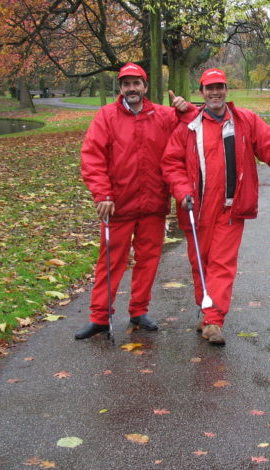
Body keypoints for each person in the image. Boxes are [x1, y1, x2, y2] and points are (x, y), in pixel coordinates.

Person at [161, 68, 270, 345]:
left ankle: (214, 321)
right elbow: (171, 163)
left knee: (222, 264)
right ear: (201, 93)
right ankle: (207, 312)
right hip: (196, 210)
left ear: (227, 90)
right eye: (209, 88)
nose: (215, 92)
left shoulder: (245, 121)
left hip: (229, 209)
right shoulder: (189, 125)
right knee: (200, 265)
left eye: (220, 87)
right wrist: (181, 191)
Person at [75, 63, 195, 340]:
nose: (132, 88)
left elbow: (194, 125)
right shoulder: (106, 116)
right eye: (126, 84)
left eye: (136, 83)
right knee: (110, 261)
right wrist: (102, 194)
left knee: (148, 260)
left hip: (153, 204)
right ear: (121, 87)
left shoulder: (163, 115)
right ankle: (100, 317)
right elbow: (92, 158)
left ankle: (139, 311)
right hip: (118, 205)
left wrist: (184, 108)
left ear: (145, 86)